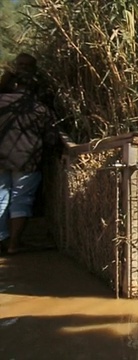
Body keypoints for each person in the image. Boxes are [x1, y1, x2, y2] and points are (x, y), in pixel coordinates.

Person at [0, 54, 56, 255]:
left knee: (1, 197)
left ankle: (2, 239)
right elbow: (51, 137)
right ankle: (14, 244)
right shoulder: (40, 107)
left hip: (1, 159)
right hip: (27, 160)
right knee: (20, 199)